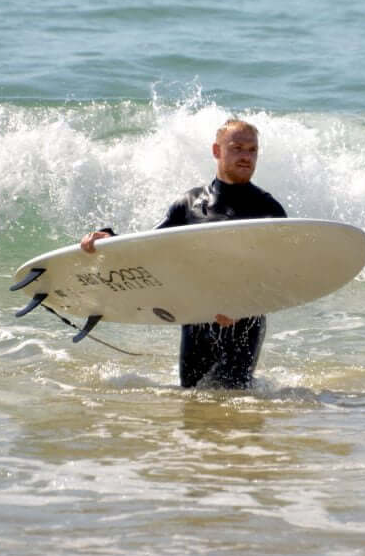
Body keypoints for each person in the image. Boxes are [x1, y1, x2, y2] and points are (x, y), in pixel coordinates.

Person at [80, 119, 286, 389]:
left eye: (252, 150)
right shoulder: (189, 204)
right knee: (192, 401)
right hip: (195, 318)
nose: (246, 156)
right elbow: (149, 246)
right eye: (237, 148)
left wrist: (243, 305)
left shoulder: (268, 209)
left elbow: (280, 273)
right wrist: (108, 238)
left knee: (235, 402)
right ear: (217, 150)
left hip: (242, 321)